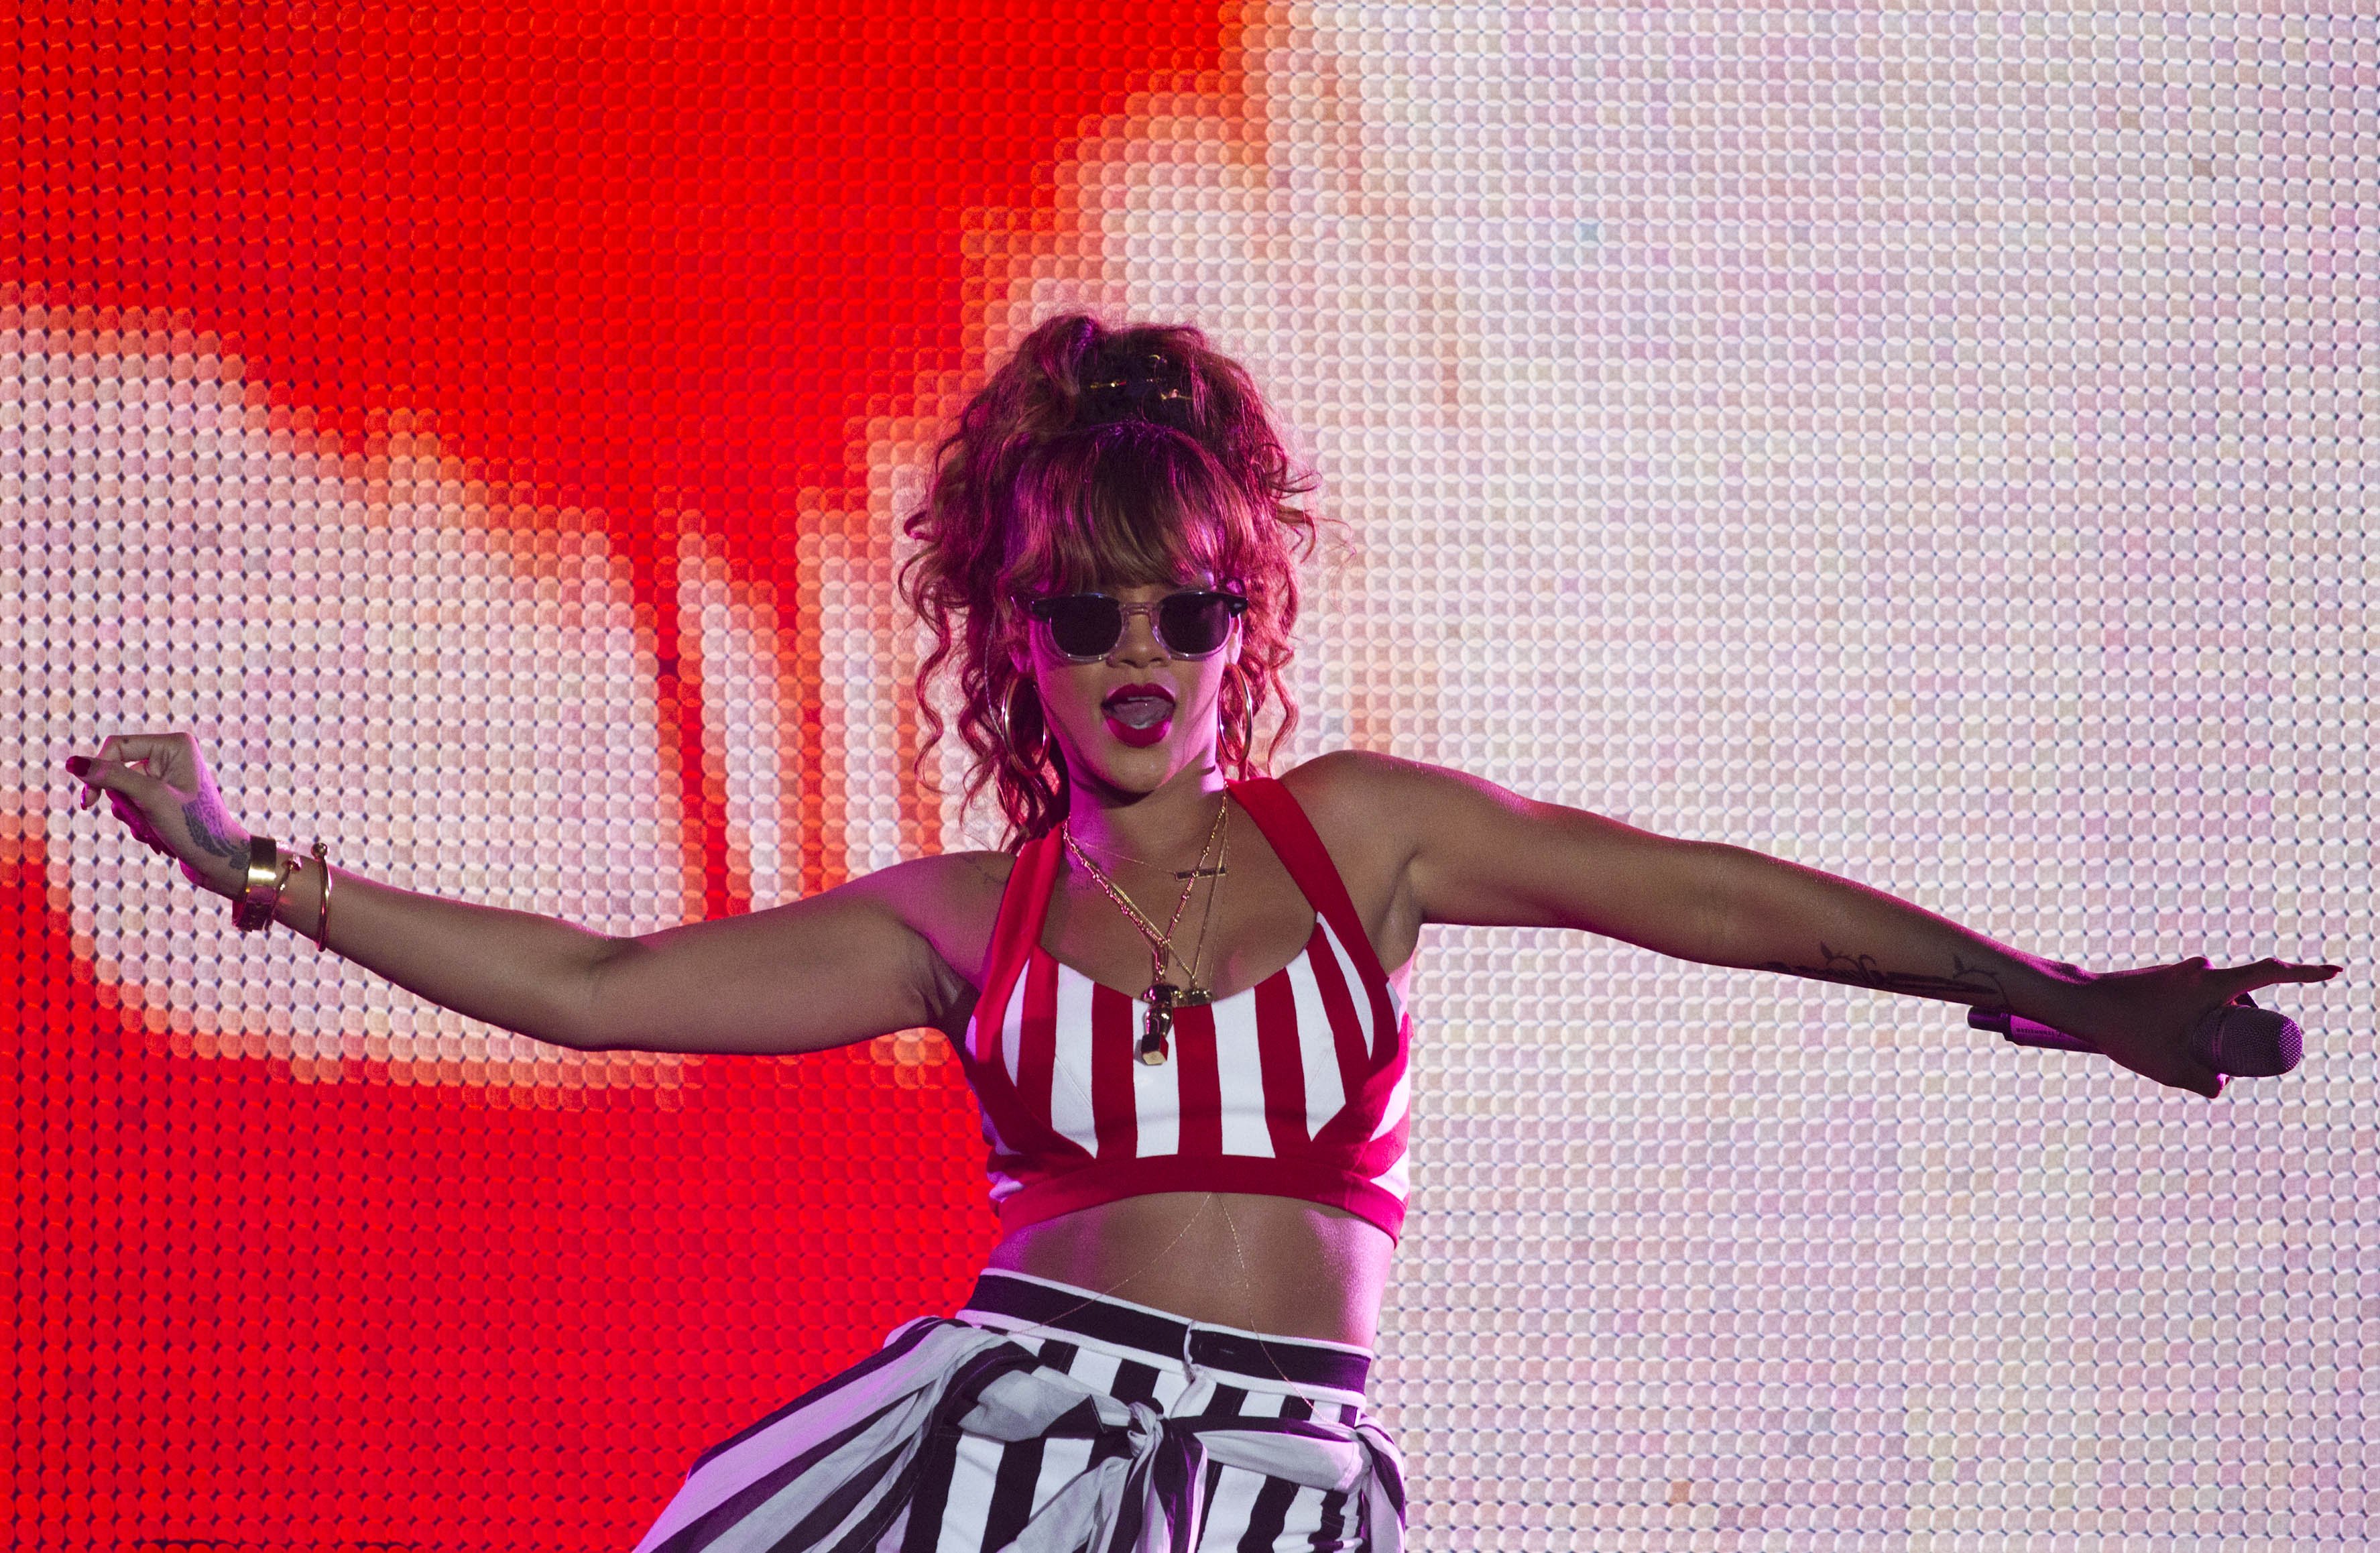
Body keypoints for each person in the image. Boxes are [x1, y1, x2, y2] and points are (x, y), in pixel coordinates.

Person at [65, 314, 2338, 1553]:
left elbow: (1719, 898)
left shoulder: (1368, 839)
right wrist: (257, 870)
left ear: (1248, 618)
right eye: (1085, 610)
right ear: (1016, 636)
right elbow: (598, 988)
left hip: (1280, 1491)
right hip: (1003, 1458)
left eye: (1189, 604)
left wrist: (2050, 991)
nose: (1139, 651)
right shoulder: (970, 917)